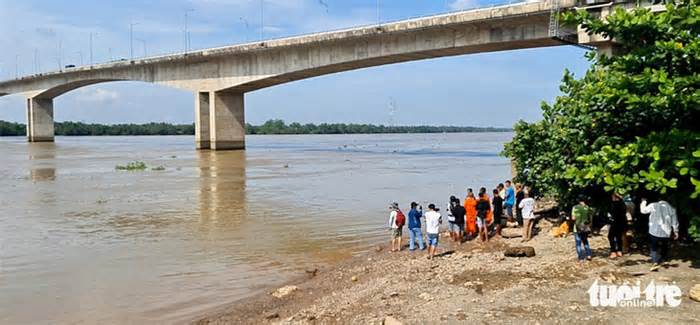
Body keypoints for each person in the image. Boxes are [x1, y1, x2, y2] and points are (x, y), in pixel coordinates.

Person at [640, 197, 679, 272]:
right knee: (665, 246)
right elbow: (674, 222)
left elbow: (643, 211)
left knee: (654, 247)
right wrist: (676, 232)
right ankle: (665, 260)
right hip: (666, 232)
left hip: (654, 231)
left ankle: (655, 262)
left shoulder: (653, 205)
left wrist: (643, 202)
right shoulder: (672, 208)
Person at [571, 195, 593, 263]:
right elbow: (590, 217)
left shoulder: (575, 207)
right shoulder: (587, 207)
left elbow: (573, 218)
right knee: (585, 241)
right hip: (585, 227)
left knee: (578, 244)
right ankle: (589, 255)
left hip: (577, 228)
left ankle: (581, 258)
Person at [608, 193, 627, 259]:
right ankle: (619, 250)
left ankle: (613, 251)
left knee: (610, 236)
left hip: (615, 222)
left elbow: (611, 212)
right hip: (622, 222)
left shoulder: (614, 204)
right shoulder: (622, 203)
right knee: (618, 236)